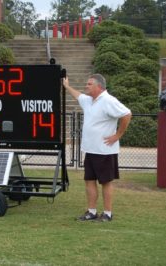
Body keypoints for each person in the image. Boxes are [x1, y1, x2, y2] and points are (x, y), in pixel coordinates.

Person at [63, 74, 132, 222]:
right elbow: (78, 96)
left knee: (106, 182)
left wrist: (117, 135)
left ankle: (107, 213)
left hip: (105, 150)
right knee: (89, 180)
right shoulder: (89, 101)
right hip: (91, 150)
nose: (86, 86)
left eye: (89, 84)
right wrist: (67, 86)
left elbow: (127, 114)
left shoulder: (108, 101)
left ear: (99, 86)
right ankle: (92, 212)